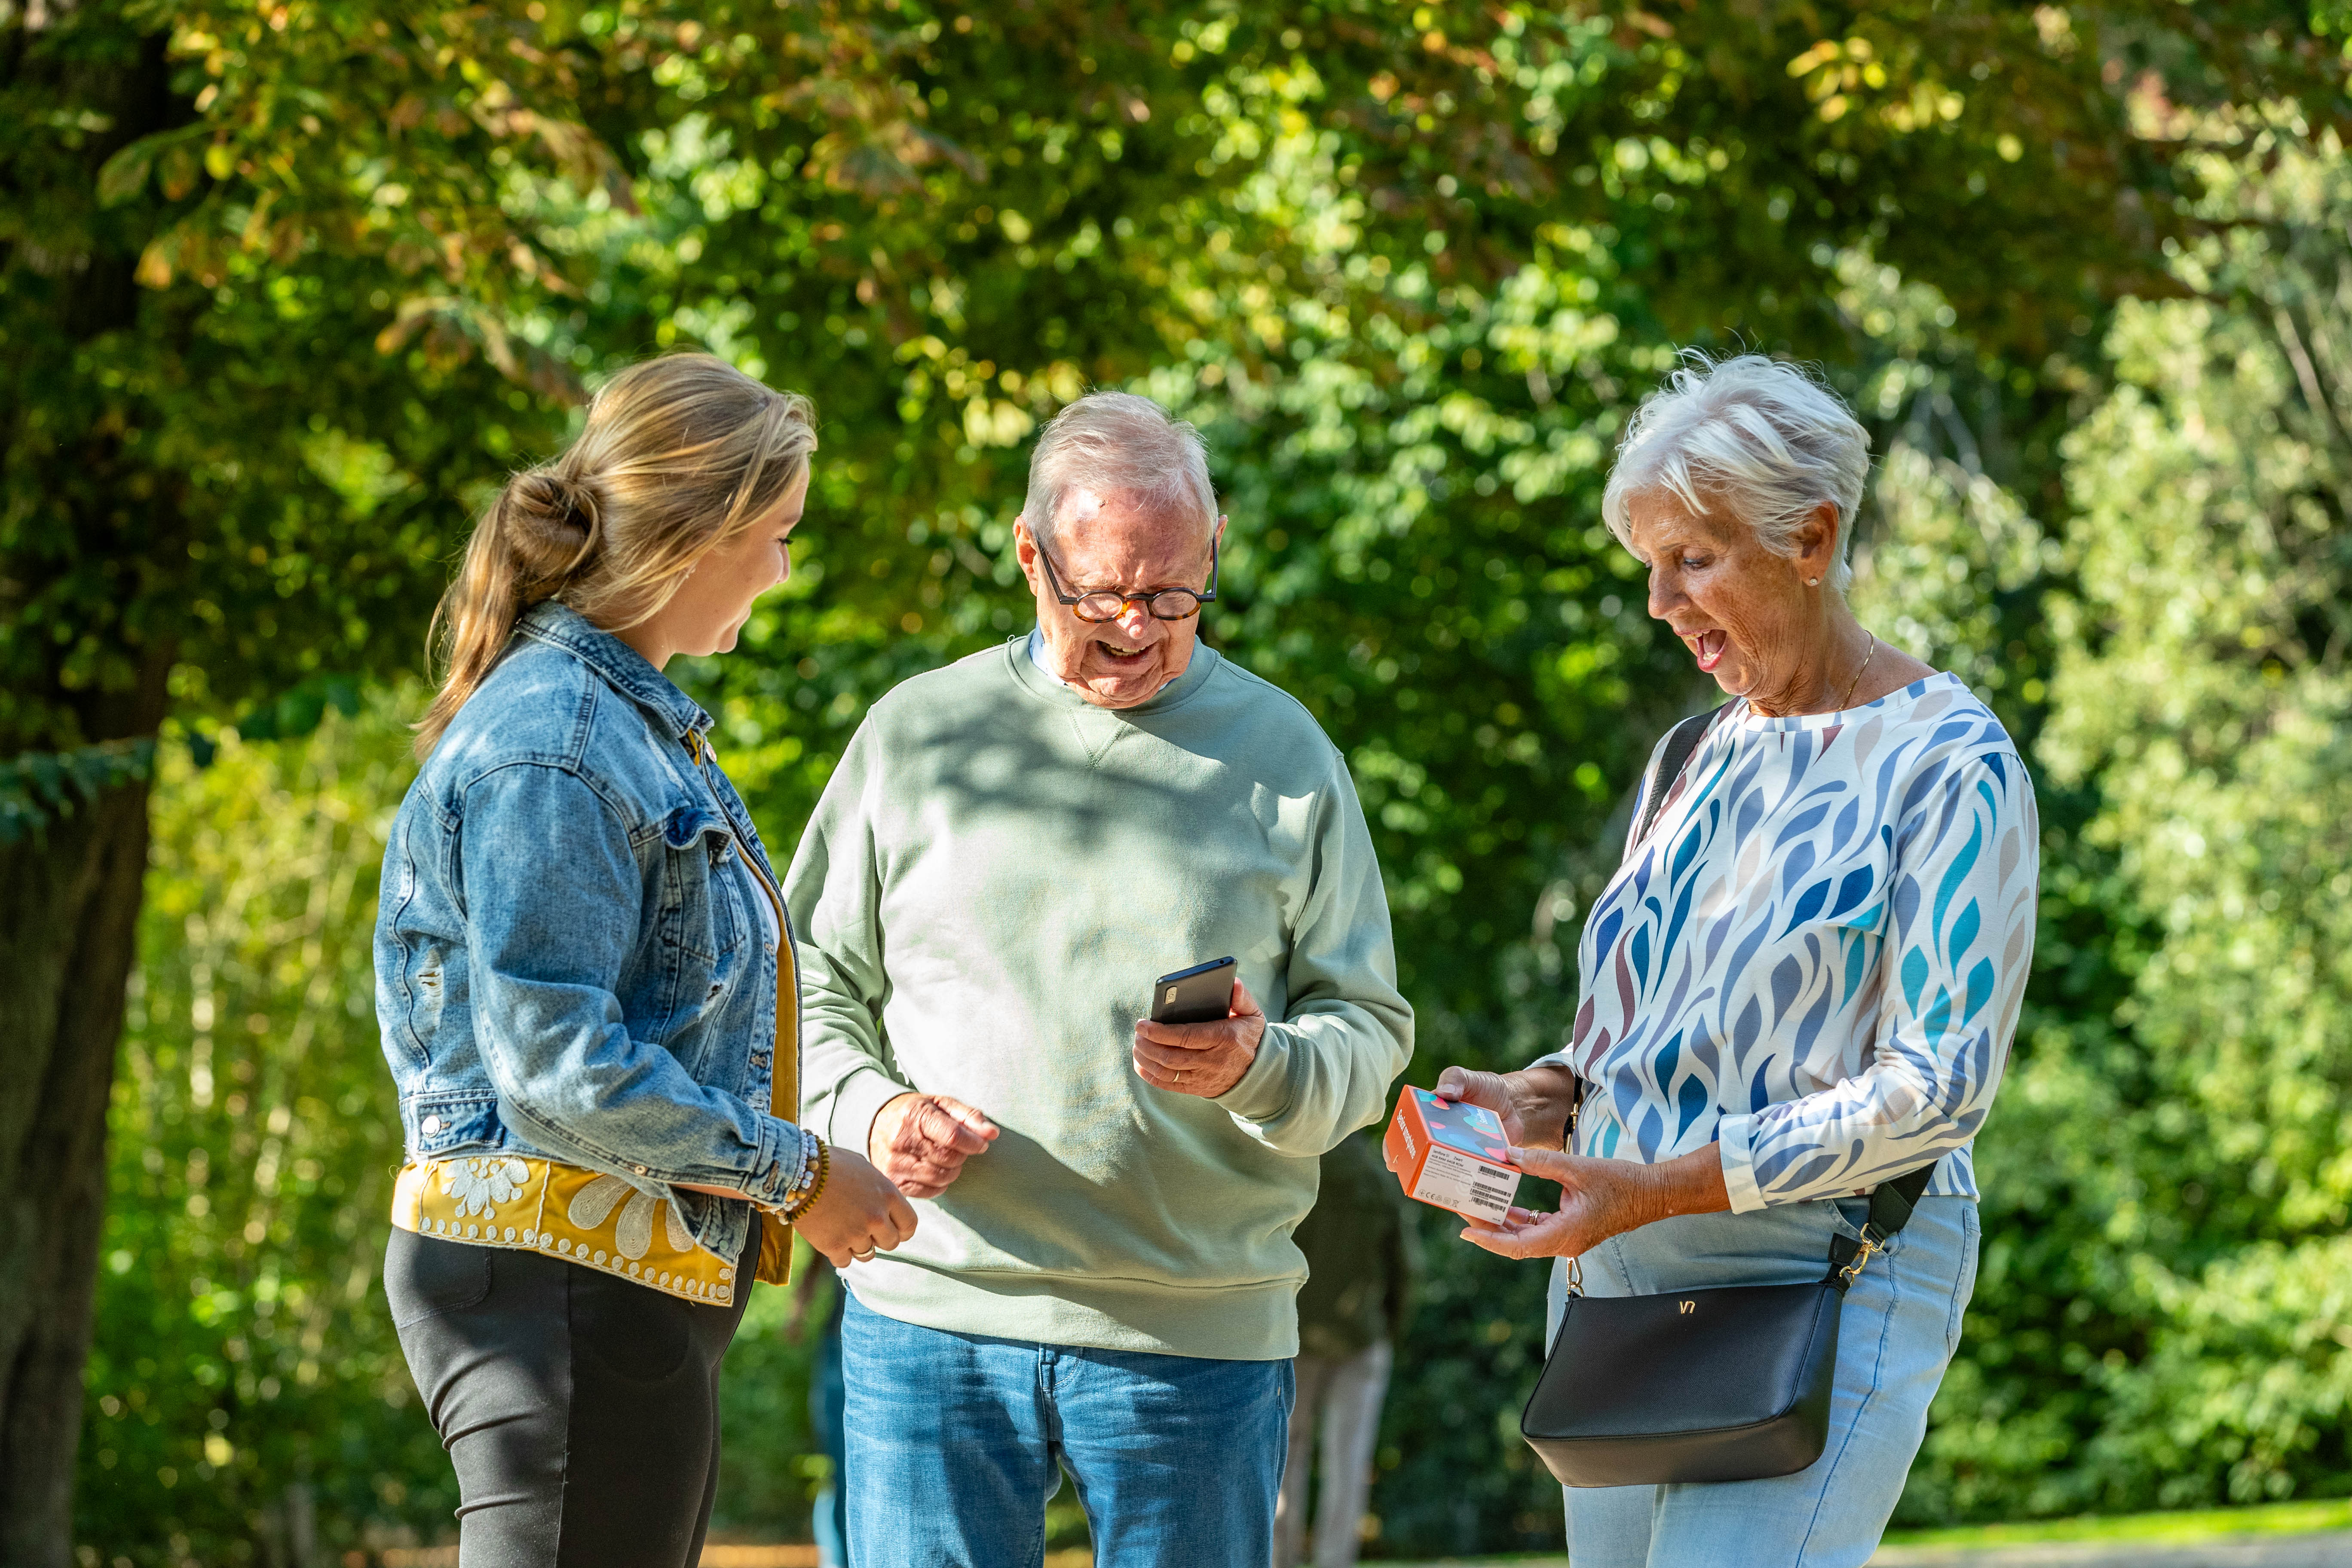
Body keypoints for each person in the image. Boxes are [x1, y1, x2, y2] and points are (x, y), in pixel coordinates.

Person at [1429, 352, 2039, 1568]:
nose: (1660, 603)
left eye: (1693, 560)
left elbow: (1938, 1090)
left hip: (1822, 1270)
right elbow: (1641, 1018)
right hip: (1620, 1281)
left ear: (1810, 539)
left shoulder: (1949, 763)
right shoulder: (1692, 756)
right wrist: (1551, 1092)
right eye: (1651, 566)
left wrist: (1662, 1185)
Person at [787, 390, 1414, 1568]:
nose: (1139, 626)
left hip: (1197, 1337)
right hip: (931, 1319)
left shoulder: (1289, 757)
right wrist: (873, 1112)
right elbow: (806, 979)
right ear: (1031, 558)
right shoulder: (918, 737)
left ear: (1215, 547)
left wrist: (1264, 1065)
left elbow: (1370, 1032)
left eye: (1174, 593)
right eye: (1103, 594)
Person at [374, 353, 916, 1568]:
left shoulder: (628, 725)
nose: (784, 568)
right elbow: (555, 1063)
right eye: (775, 535)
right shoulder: (557, 744)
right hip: (559, 1286)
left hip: (607, 1279)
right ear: (696, 531)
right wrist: (797, 1175)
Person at [1276, 1131, 1420, 1568]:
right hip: (1362, 1342)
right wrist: (1391, 1330)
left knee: (1285, 1462)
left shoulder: (1293, 1169)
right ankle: (1334, 1562)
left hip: (1292, 1337)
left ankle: (1279, 1561)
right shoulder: (1378, 1175)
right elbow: (1406, 1267)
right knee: (1348, 1465)